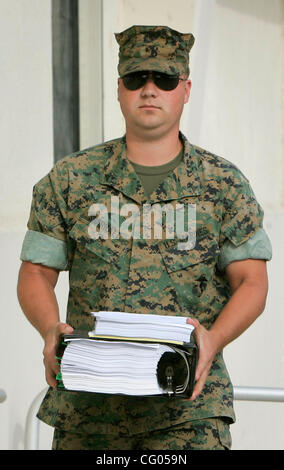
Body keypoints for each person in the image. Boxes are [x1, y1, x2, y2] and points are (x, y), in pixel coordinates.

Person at [17, 25, 272, 450]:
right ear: (119, 89)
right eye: (136, 79)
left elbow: (253, 283)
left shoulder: (224, 186)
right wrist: (49, 330)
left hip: (188, 413)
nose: (149, 90)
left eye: (164, 80)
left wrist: (214, 339)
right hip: (88, 410)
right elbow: (35, 274)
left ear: (185, 90)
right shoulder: (70, 180)